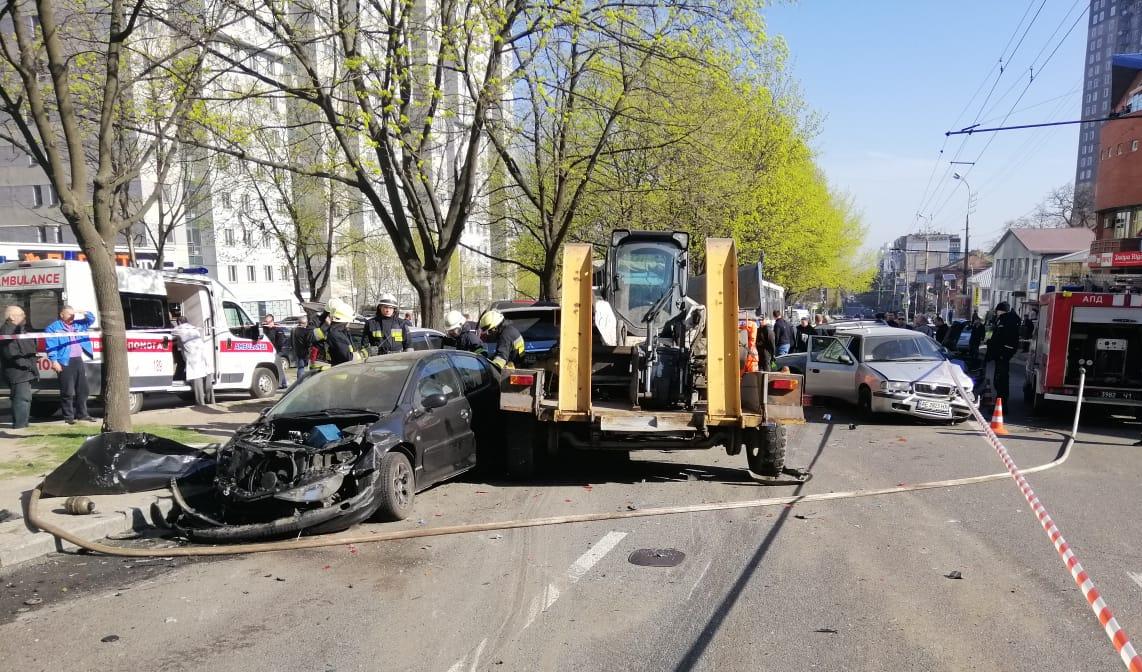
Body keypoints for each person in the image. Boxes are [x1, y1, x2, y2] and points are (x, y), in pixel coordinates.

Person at [44, 306, 96, 424]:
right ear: (61, 315)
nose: (72, 316)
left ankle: (82, 414)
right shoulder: (53, 328)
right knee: (67, 391)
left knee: (83, 390)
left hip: (78, 360)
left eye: (73, 314)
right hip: (64, 361)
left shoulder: (78, 325)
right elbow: (51, 346)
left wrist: (83, 312)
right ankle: (68, 417)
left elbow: (91, 319)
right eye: (69, 314)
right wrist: (54, 361)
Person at [1, 306, 39, 429]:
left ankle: (23, 424)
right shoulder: (7, 332)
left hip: (25, 371)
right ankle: (20, 426)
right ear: (11, 317)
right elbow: (11, 353)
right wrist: (28, 365)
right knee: (22, 398)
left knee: (26, 398)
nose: (25, 316)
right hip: (17, 372)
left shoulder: (20, 330)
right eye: (22, 314)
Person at [172, 317, 215, 406]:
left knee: (197, 380)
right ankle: (211, 401)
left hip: (194, 357)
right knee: (207, 379)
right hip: (203, 353)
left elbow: (171, 333)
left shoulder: (180, 328)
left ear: (179, 322)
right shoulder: (193, 328)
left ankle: (201, 403)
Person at [986, 301, 1022, 402]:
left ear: (1001, 311)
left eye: (997, 310)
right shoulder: (1002, 320)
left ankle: (1002, 405)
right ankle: (1000, 402)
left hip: (1003, 355)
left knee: (1001, 381)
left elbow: (1006, 339)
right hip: (1001, 354)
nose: (996, 312)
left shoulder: (1007, 321)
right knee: (999, 380)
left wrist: (1003, 353)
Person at [261, 314, 289, 389]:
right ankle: (282, 383)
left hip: (277, 351)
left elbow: (281, 341)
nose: (267, 323)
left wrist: (277, 350)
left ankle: (281, 383)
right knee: (274, 367)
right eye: (266, 322)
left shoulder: (277, 329)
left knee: (278, 367)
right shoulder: (265, 329)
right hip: (268, 351)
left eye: (269, 322)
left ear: (272, 321)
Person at [290, 315, 311, 383]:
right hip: (304, 352)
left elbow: (291, 340)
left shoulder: (294, 330)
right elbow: (308, 342)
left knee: (300, 368)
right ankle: (301, 382)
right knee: (302, 368)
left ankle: (299, 382)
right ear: (305, 323)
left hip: (296, 351)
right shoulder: (305, 331)